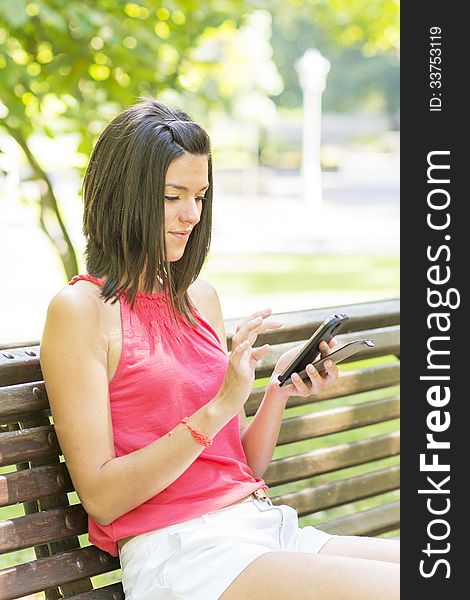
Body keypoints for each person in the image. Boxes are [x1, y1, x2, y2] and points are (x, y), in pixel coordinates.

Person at [40, 98, 399, 600]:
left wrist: (275, 390)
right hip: (182, 554)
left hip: (261, 529)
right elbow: (101, 498)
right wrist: (219, 406)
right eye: (173, 196)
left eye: (201, 196)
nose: (191, 215)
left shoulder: (199, 299)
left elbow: (238, 467)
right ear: (126, 197)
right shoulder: (81, 310)